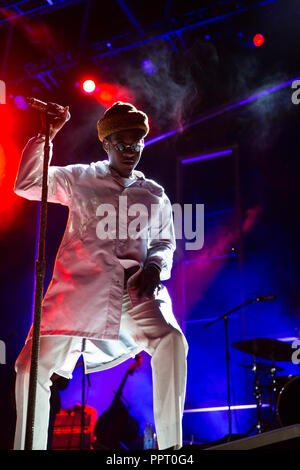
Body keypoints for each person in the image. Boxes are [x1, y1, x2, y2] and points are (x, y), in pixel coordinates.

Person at [13, 101, 188, 450]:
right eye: (122, 142)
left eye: (137, 142)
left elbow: (165, 241)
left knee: (171, 341)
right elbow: (28, 184)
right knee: (29, 368)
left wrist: (154, 266)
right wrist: (47, 136)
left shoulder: (154, 194)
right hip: (77, 294)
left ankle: (171, 451)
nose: (130, 150)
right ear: (106, 144)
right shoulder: (80, 178)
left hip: (131, 294)